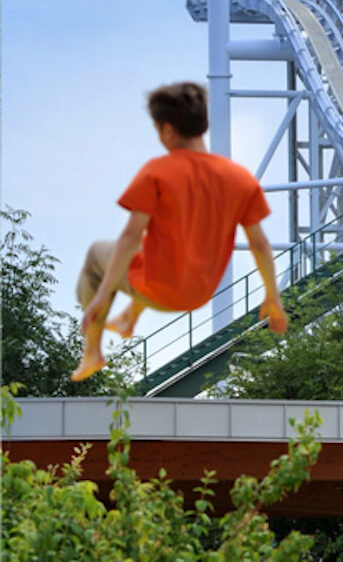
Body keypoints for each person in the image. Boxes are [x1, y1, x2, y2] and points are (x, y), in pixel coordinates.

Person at [72, 82, 287, 381]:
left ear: (168, 130)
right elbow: (260, 244)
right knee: (159, 239)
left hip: (160, 289)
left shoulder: (157, 172)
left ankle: (92, 351)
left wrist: (102, 296)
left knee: (98, 253)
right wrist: (272, 297)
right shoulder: (240, 179)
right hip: (200, 294)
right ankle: (127, 318)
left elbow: (129, 237)